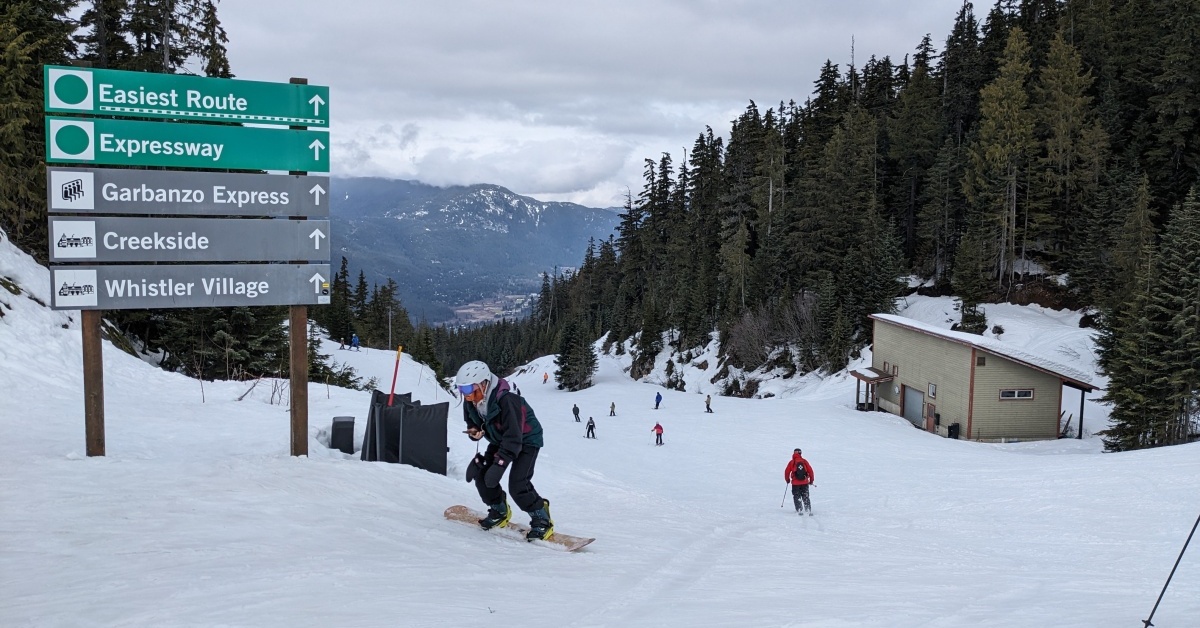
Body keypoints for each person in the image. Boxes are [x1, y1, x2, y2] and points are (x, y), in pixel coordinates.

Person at [457, 360, 554, 540]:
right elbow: (472, 421)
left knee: (518, 485)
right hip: (500, 438)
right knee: (484, 477)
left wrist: (500, 464)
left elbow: (514, 437)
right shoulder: (471, 400)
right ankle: (499, 511)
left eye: (469, 390)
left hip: (526, 440)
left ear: (483, 384)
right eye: (462, 390)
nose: (466, 395)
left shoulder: (508, 399)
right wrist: (474, 431)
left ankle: (542, 518)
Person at [784, 448, 815, 516]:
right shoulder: (804, 461)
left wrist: (787, 480)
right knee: (805, 496)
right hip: (805, 482)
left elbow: (787, 472)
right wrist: (811, 480)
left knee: (796, 496)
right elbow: (810, 471)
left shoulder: (792, 462)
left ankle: (799, 509)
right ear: (800, 453)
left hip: (795, 483)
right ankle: (808, 509)